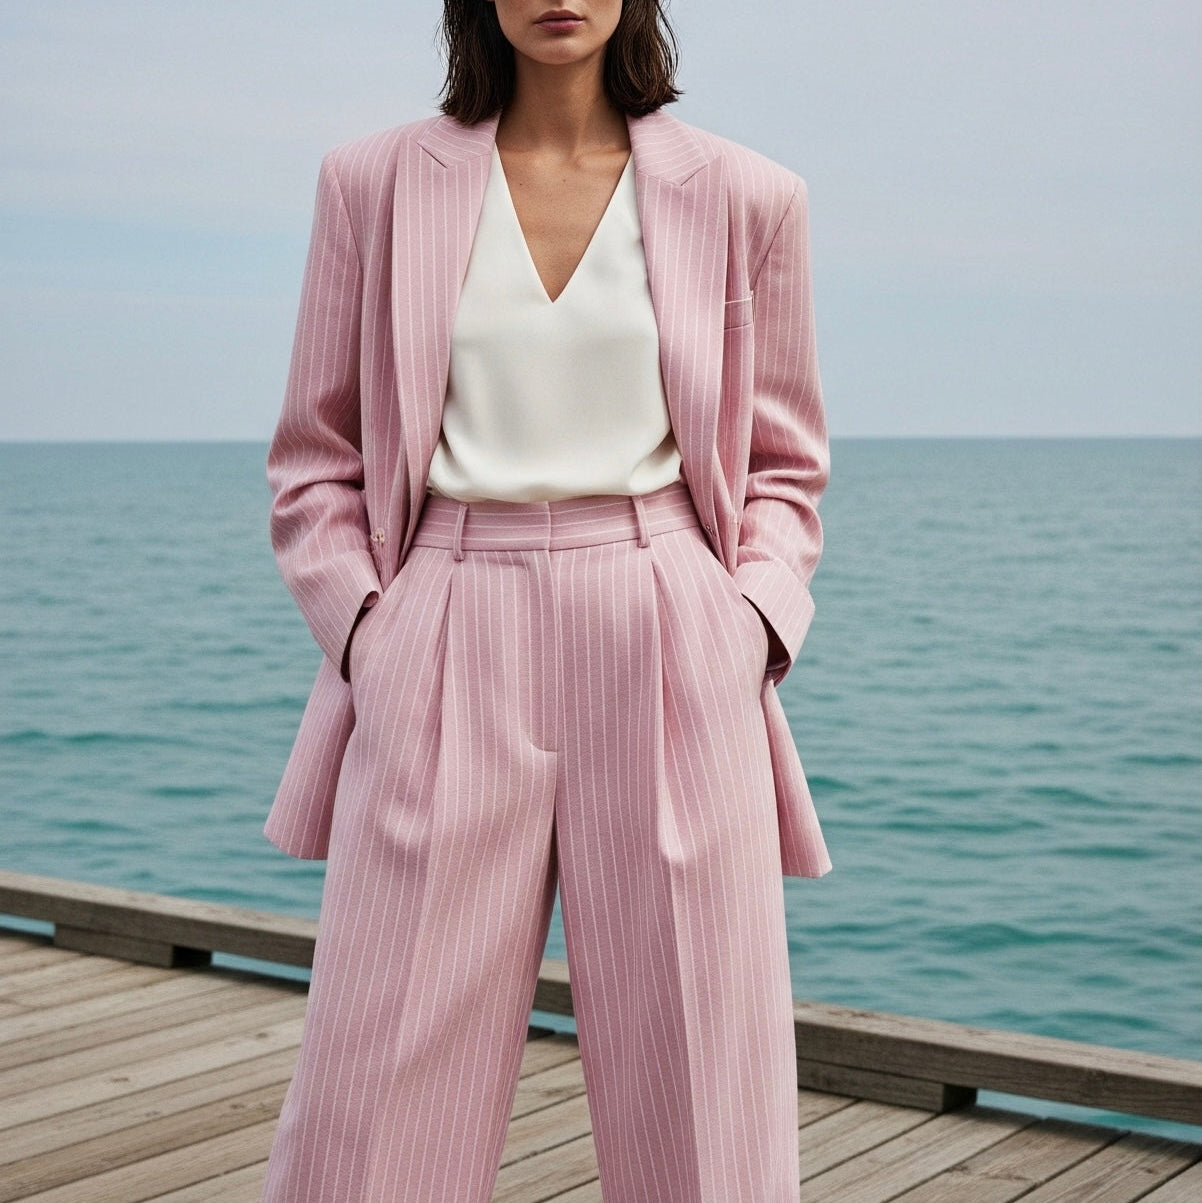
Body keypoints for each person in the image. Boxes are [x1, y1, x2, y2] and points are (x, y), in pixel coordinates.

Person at [260, 1, 831, 1199]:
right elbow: (315, 454)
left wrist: (749, 624)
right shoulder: (371, 182)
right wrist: (370, 631)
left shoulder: (748, 195)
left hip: (669, 618)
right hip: (444, 617)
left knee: (698, 1085)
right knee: (377, 1083)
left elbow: (783, 463)